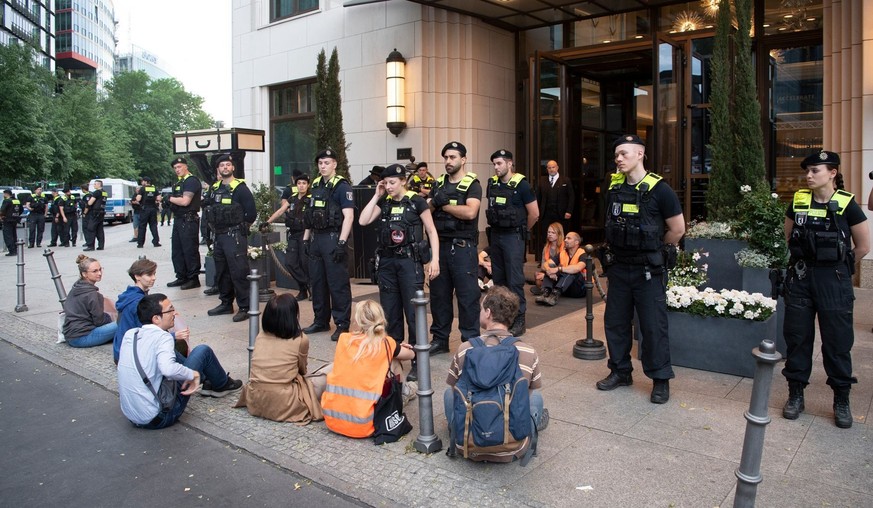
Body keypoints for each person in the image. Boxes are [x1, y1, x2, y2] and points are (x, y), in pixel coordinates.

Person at [781, 151, 870, 429]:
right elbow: (788, 236)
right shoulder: (798, 201)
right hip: (801, 277)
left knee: (837, 341)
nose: (809, 175)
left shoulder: (847, 204)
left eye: (815, 170)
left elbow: (864, 246)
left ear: (832, 173)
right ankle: (796, 394)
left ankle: (841, 399)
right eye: (807, 171)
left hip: (834, 279)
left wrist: (839, 266)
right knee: (797, 337)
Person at [597, 134, 685, 404]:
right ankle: (621, 371)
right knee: (615, 323)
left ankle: (660, 378)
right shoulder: (613, 188)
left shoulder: (660, 190)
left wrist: (656, 250)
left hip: (648, 270)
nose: (618, 159)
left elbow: (678, 229)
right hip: (620, 268)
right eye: (616, 155)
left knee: (652, 326)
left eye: (624, 153)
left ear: (640, 154)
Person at [116, 293, 243, 429]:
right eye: (170, 310)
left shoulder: (131, 334)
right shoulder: (163, 337)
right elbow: (168, 369)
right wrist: (193, 375)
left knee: (174, 353)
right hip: (159, 416)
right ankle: (221, 384)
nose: (175, 313)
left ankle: (207, 380)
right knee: (203, 351)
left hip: (132, 416)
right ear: (156, 318)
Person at [444, 286, 548, 444]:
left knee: (448, 394)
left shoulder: (465, 349)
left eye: (481, 309)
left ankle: (460, 430)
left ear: (488, 313)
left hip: (469, 443)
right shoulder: (528, 352)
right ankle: (530, 426)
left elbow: (455, 390)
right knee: (537, 398)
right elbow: (528, 394)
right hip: (512, 444)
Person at [358, 163, 440, 346]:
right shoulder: (385, 201)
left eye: (392, 182)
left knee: (413, 313)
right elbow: (363, 220)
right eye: (385, 183)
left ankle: (416, 359)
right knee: (390, 312)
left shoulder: (416, 201)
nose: (388, 187)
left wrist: (435, 260)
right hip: (387, 263)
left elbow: (432, 231)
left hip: (409, 263)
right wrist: (376, 195)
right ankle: (394, 355)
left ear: (403, 181)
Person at [321, 300, 415, 438]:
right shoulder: (386, 343)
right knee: (394, 360)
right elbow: (411, 354)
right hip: (364, 425)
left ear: (357, 321)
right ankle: (404, 393)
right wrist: (400, 347)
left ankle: (405, 391)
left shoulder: (343, 339)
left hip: (332, 419)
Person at [426, 142, 482, 357]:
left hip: (463, 249)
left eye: (452, 157)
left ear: (463, 159)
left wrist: (444, 205)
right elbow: (428, 210)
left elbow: (470, 212)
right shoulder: (438, 183)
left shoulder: (472, 184)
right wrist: (433, 202)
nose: (448, 161)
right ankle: (440, 340)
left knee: (467, 297)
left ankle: (470, 342)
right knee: (439, 297)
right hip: (439, 248)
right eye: (446, 157)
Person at [234, 293, 324, 424]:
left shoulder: (260, 336)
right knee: (329, 373)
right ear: (293, 316)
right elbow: (303, 370)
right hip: (284, 402)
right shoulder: (300, 339)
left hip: (255, 399)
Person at [485, 149, 539, 336]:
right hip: (496, 235)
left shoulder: (522, 185)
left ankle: (519, 319)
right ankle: (501, 318)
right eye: (494, 164)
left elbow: (534, 214)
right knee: (499, 280)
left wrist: (524, 229)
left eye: (499, 163)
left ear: (509, 163)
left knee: (515, 280)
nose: (496, 167)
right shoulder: (492, 183)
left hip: (513, 237)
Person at [302, 149, 354, 341]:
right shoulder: (315, 185)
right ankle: (320, 320)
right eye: (320, 163)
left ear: (334, 164)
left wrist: (342, 242)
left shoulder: (342, 186)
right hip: (317, 238)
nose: (323, 166)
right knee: (317, 282)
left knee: (337, 283)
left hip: (333, 238)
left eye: (327, 162)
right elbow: (309, 215)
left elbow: (349, 216)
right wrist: (306, 238)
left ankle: (342, 323)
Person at [204, 154, 257, 322]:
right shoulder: (214, 188)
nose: (225, 167)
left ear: (233, 167)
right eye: (222, 165)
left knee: (239, 272)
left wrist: (240, 227)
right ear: (218, 169)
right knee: (222, 272)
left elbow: (251, 214)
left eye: (228, 164)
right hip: (219, 235)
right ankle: (226, 303)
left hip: (234, 236)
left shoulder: (240, 188)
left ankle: (245, 307)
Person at [113, 258, 191, 364]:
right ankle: (189, 369)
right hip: (130, 355)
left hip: (123, 350)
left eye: (154, 274)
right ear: (137, 276)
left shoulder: (130, 295)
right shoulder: (137, 302)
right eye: (149, 275)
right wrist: (173, 336)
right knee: (176, 345)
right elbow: (146, 334)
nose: (154, 278)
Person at [265, 171, 311, 301]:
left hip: (305, 234)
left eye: (304, 183)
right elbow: (280, 211)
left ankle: (306, 290)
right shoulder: (292, 198)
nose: (301, 186)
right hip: (293, 234)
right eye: (299, 183)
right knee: (290, 263)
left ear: (308, 185)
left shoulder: (311, 199)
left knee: (304, 262)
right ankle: (306, 285)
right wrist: (267, 222)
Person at [62, 255, 118, 348]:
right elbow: (99, 321)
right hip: (82, 337)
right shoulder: (92, 294)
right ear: (84, 274)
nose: (99, 273)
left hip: (70, 334)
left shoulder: (77, 287)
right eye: (95, 271)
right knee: (125, 322)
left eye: (100, 269)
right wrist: (111, 317)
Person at [166, 157, 203, 290]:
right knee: (177, 250)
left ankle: (193, 278)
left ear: (186, 167)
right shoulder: (179, 183)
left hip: (188, 219)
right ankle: (181, 277)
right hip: (179, 218)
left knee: (189, 250)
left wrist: (169, 198)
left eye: (179, 167)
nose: (177, 170)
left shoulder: (191, 181)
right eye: (175, 168)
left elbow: (185, 201)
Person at [536, 231, 586, 306]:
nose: (565, 240)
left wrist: (558, 269)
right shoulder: (563, 253)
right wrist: (550, 271)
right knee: (550, 267)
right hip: (565, 288)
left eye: (569, 238)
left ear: (576, 242)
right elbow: (545, 264)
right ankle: (545, 292)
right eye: (565, 238)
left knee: (571, 272)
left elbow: (578, 268)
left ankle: (554, 295)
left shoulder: (583, 254)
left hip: (579, 289)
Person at [537, 160, 574, 245]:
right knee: (546, 235)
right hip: (546, 214)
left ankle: (561, 255)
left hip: (561, 214)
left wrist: (569, 211)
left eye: (553, 167)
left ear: (557, 168)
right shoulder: (542, 181)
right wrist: (538, 212)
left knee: (561, 235)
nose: (551, 169)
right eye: (549, 168)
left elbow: (571, 197)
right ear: (547, 169)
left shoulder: (565, 180)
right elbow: (538, 197)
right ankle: (547, 255)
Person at [532, 222, 564, 296]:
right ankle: (546, 289)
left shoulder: (564, 247)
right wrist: (547, 274)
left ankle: (545, 289)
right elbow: (543, 265)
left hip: (559, 272)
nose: (549, 234)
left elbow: (563, 265)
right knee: (537, 275)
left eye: (553, 232)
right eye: (548, 232)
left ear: (559, 234)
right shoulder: (546, 247)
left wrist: (547, 275)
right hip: (548, 271)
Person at [135, 176, 162, 248]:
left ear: (146, 182)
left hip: (144, 209)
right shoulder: (154, 189)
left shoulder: (142, 189)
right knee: (153, 226)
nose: (142, 182)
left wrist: (138, 199)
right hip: (153, 209)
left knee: (142, 226)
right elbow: (159, 198)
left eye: (143, 181)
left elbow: (138, 199)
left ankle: (140, 243)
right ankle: (156, 242)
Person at [82, 180, 107, 251]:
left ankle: (90, 246)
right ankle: (101, 246)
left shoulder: (97, 192)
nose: (94, 185)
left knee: (90, 228)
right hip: (101, 212)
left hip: (95, 212)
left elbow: (90, 202)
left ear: (99, 185)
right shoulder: (104, 192)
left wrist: (85, 211)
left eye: (95, 184)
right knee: (100, 229)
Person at [1, 189, 24, 256]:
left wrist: (2, 216)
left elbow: (2, 210)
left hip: (7, 219)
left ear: (6, 194)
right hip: (15, 219)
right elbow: (21, 209)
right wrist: (17, 215)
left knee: (8, 236)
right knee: (14, 235)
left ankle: (12, 251)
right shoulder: (16, 200)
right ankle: (15, 249)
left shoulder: (6, 200)